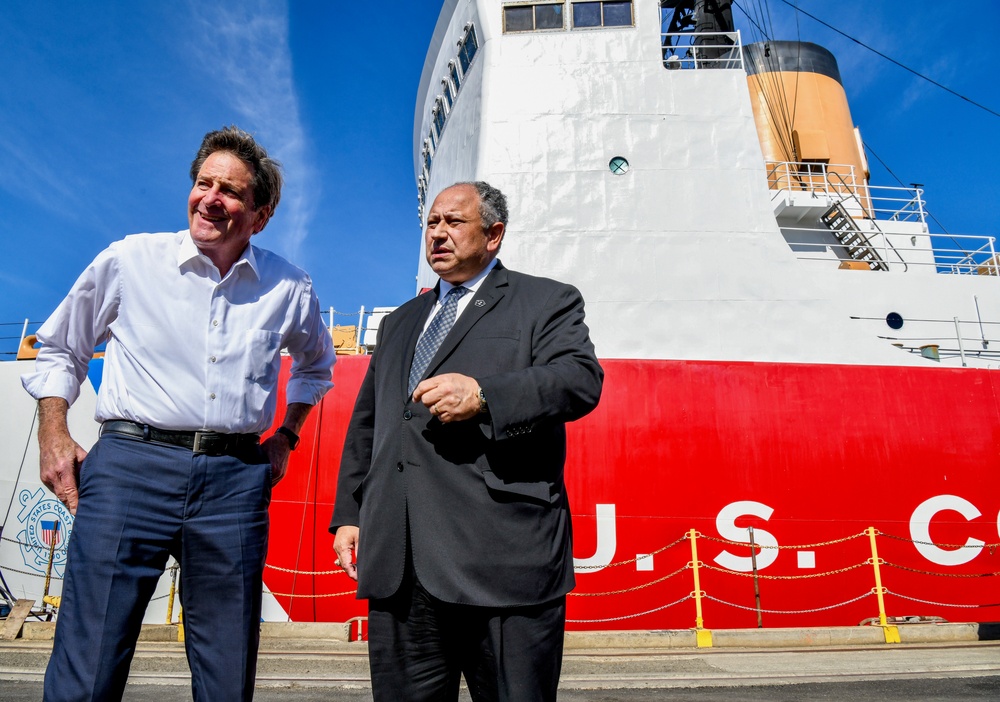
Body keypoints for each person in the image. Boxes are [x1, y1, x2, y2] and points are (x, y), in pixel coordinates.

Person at [21, 126, 335, 701]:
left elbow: (316, 368)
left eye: (230, 191)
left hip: (234, 480)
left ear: (260, 215)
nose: (210, 198)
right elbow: (60, 347)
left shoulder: (289, 287)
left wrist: (287, 434)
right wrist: (54, 433)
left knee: (227, 670)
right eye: (202, 183)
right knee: (87, 663)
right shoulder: (129, 260)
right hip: (128, 468)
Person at [331, 181, 603, 702]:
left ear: (494, 234)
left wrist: (485, 395)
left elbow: (579, 380)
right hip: (401, 566)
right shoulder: (398, 323)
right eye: (432, 223)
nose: (437, 233)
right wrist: (350, 514)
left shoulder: (545, 301)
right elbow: (370, 423)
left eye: (454, 222)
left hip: (502, 562)